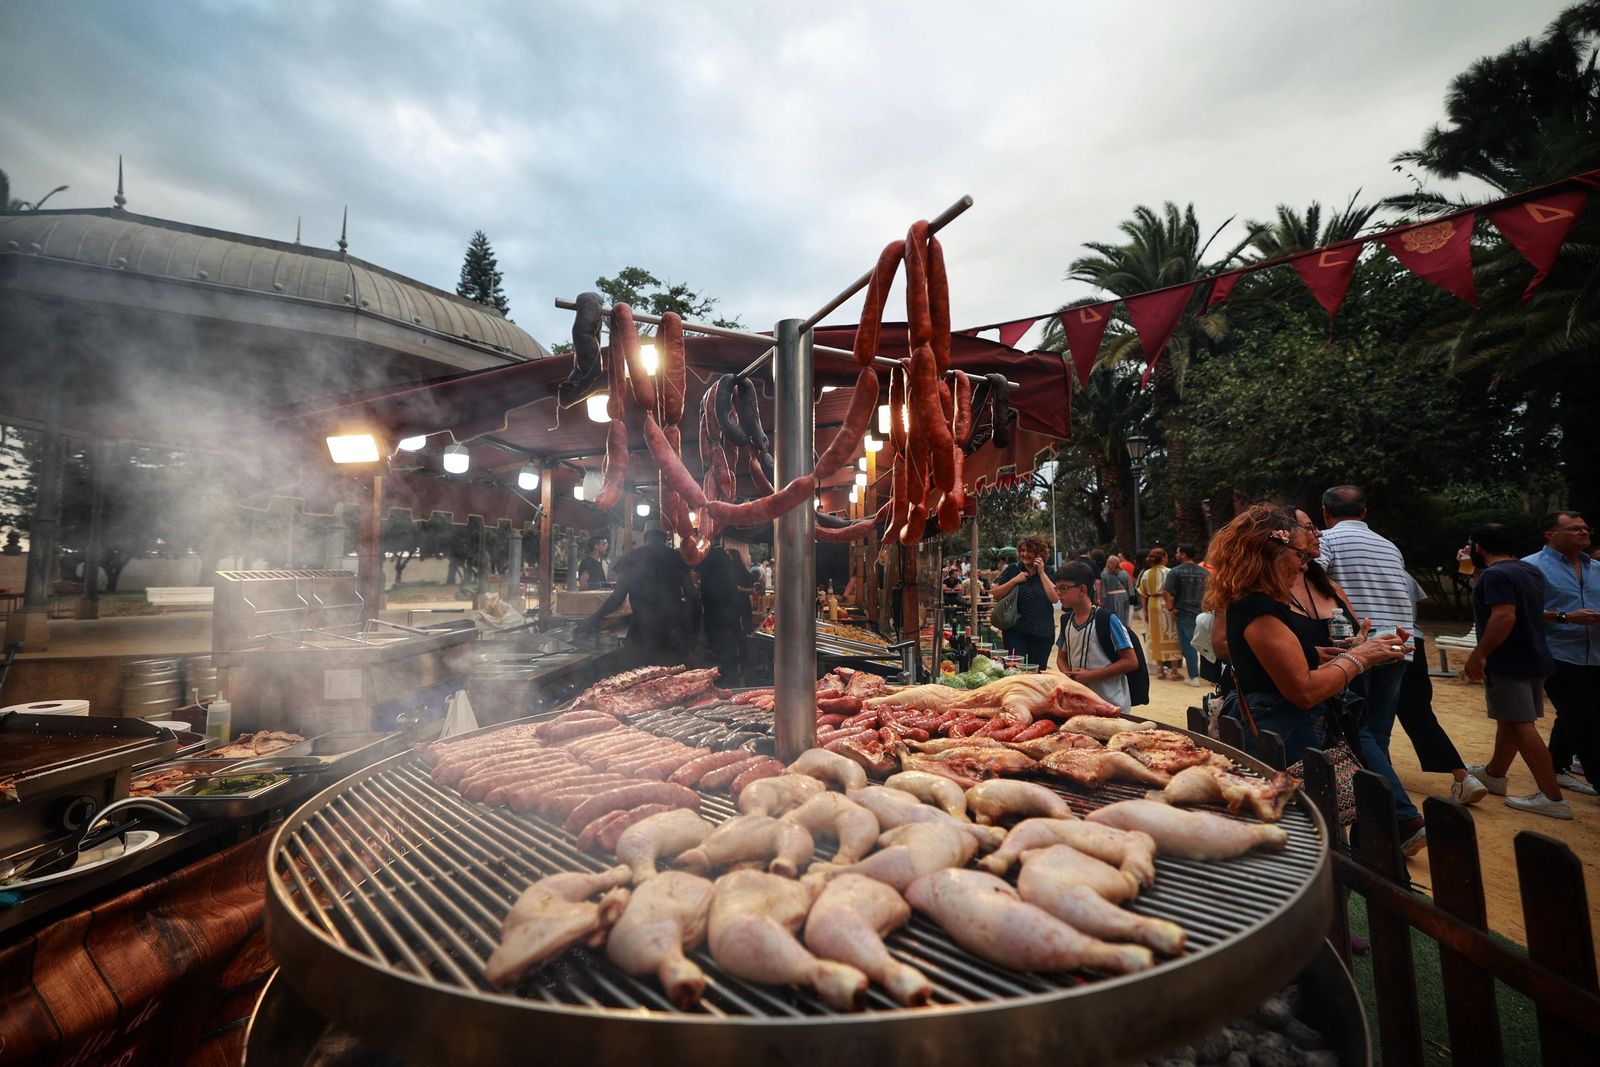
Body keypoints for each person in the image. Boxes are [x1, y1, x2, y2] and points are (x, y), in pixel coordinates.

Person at [1204, 504, 1407, 767]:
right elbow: (1305, 691)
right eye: (1301, 556)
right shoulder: (1258, 608)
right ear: (1272, 553)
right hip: (1289, 738)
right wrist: (1360, 657)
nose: (1303, 568)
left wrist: (1349, 651)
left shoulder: (1257, 602)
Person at [1316, 486, 1418, 826]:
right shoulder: (1389, 545)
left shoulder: (1327, 540)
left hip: (1360, 645)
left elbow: (1311, 576)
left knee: (1355, 731)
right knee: (1378, 733)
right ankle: (1382, 814)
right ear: (1363, 512)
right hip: (1399, 644)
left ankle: (1398, 815)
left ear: (1326, 514)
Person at [1463, 523, 1569, 819]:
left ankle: (1552, 797)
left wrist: (1479, 654)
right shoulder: (1528, 570)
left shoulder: (1496, 575)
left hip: (1509, 661)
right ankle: (1495, 775)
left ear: (1479, 547)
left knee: (1521, 725)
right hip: (1535, 656)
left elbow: (1504, 616)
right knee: (1511, 719)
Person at [1523, 511, 1600, 797]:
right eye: (1573, 529)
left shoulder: (1597, 568)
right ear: (1550, 535)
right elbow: (1521, 613)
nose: (1583, 532)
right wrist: (1566, 617)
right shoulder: (1530, 567)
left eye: (1585, 527)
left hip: (1596, 656)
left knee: (1576, 715)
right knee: (1583, 719)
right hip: (1557, 654)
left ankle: (1557, 765)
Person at [577, 522, 697, 668]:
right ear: (665, 538)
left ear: (645, 537)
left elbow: (617, 597)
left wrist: (594, 618)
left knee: (636, 681)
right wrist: (693, 630)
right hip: (672, 633)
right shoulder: (678, 558)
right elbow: (692, 595)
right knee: (674, 683)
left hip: (642, 632)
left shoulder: (632, 558)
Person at [1055, 563, 1138, 712]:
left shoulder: (1106, 619)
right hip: (1080, 704)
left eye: (1064, 588)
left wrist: (1092, 675)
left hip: (1111, 703)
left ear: (1082, 590)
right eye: (1057, 589)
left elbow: (1131, 661)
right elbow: (1061, 657)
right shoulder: (1066, 620)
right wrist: (1068, 677)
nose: (1058, 593)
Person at [696, 534, 755, 685]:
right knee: (727, 646)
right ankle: (730, 677)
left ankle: (726, 681)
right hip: (727, 611)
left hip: (718, 612)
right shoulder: (722, 556)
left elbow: (694, 575)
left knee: (722, 646)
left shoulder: (712, 555)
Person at [992, 536, 1059, 668]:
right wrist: (1015, 580)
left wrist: (1041, 573)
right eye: (1022, 550)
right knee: (1016, 671)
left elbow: (1055, 598)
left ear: (1039, 554)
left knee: (1038, 673)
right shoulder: (1013, 569)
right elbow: (995, 594)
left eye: (1029, 551)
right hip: (1016, 632)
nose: (1025, 554)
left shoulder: (1049, 571)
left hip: (1042, 633)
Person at [1162, 544, 1209, 686]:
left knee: (1189, 644)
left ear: (1183, 554)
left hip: (1183, 611)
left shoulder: (1175, 572)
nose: (1176, 555)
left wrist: (1170, 609)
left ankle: (1194, 676)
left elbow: (1166, 592)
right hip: (1202, 611)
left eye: (1177, 552)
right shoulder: (1205, 572)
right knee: (1205, 644)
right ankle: (1209, 676)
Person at [1137, 548, 1181, 679]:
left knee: (1154, 635)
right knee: (1172, 634)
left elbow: (1143, 594)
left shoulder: (1146, 574)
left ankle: (1160, 669)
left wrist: (1145, 610)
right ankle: (1174, 670)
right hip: (1167, 604)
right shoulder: (1170, 572)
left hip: (1152, 604)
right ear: (1163, 558)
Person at [1100, 554, 1132, 627]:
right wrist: (1130, 596)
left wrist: (1103, 600)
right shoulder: (1124, 573)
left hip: (1110, 597)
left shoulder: (1104, 574)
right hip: (1124, 596)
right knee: (1124, 617)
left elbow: (1103, 589)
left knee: (1112, 617)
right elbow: (1129, 586)